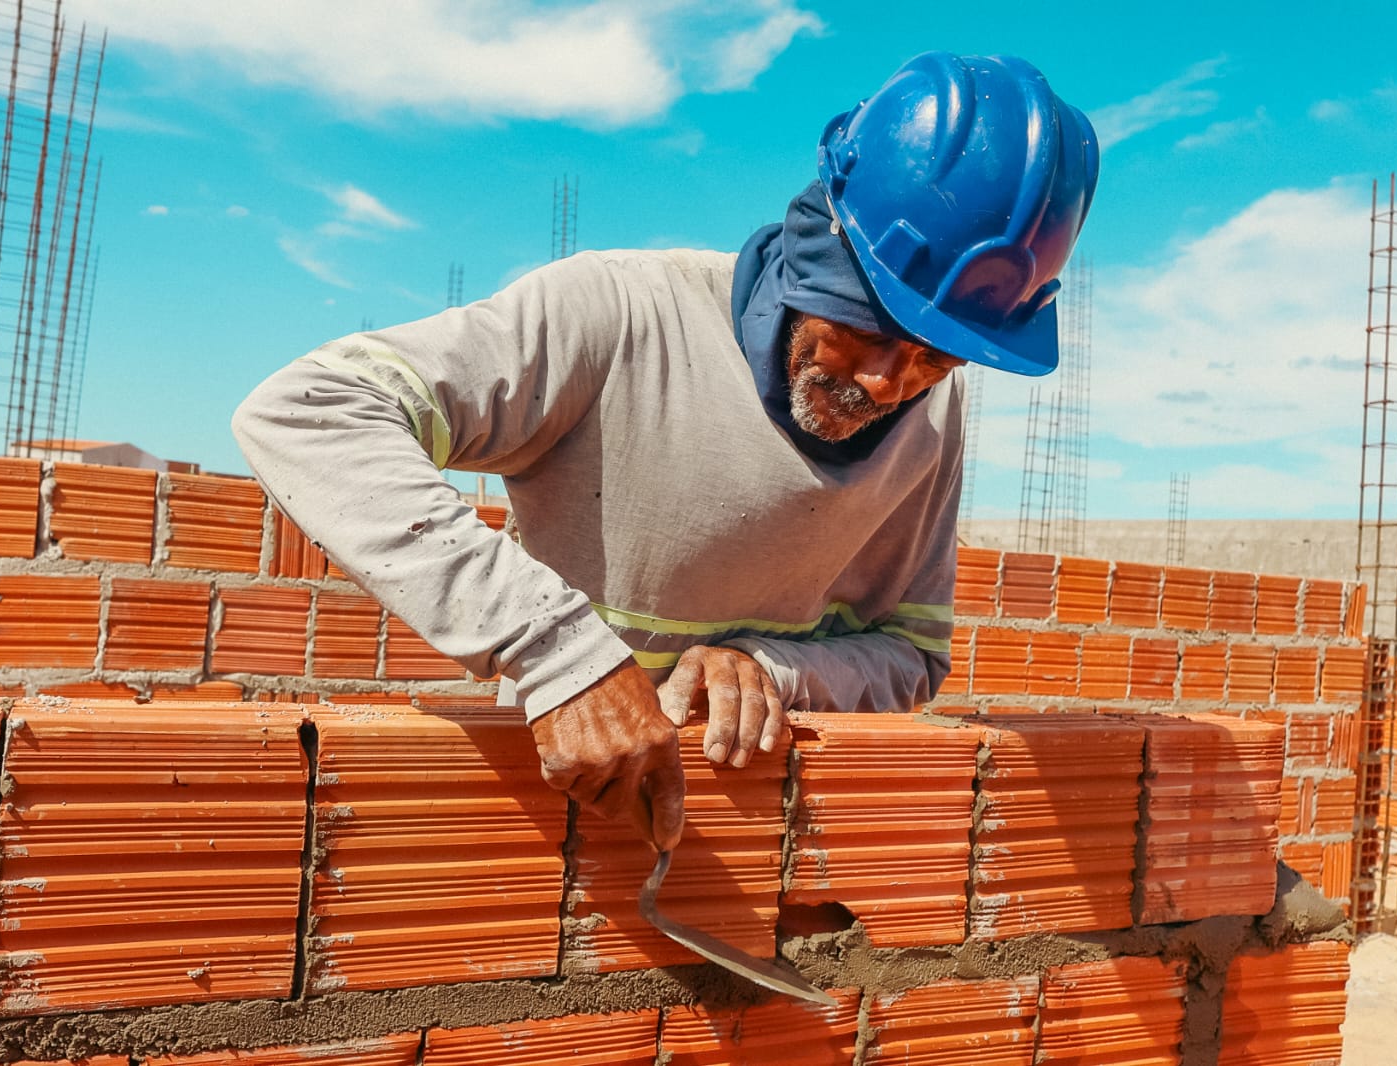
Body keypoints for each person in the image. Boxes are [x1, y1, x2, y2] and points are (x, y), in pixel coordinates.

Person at [233, 51, 1099, 854]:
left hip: (748, 857)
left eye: (936, 357)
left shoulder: (931, 423)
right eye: (867, 330)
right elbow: (310, 410)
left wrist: (775, 671)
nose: (886, 384)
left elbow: (910, 655)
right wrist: (558, 652)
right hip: (549, 831)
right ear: (819, 249)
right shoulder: (619, 316)